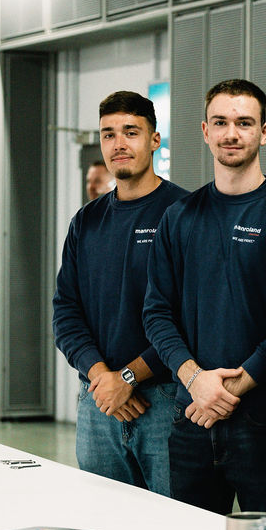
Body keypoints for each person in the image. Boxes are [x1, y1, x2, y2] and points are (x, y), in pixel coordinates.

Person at [143, 79, 266, 518]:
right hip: (190, 416)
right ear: (205, 131)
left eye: (244, 123)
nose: (232, 133)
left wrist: (231, 388)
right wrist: (195, 380)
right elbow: (156, 313)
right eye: (221, 122)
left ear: (264, 132)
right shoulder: (179, 217)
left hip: (264, 422)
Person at [53, 91, 189, 494]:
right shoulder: (86, 222)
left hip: (164, 401)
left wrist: (128, 377)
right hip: (99, 404)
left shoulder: (183, 213)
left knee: (171, 521)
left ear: (154, 139)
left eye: (131, 132)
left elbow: (188, 318)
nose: (119, 144)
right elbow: (66, 313)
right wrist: (104, 379)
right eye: (108, 134)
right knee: (103, 522)